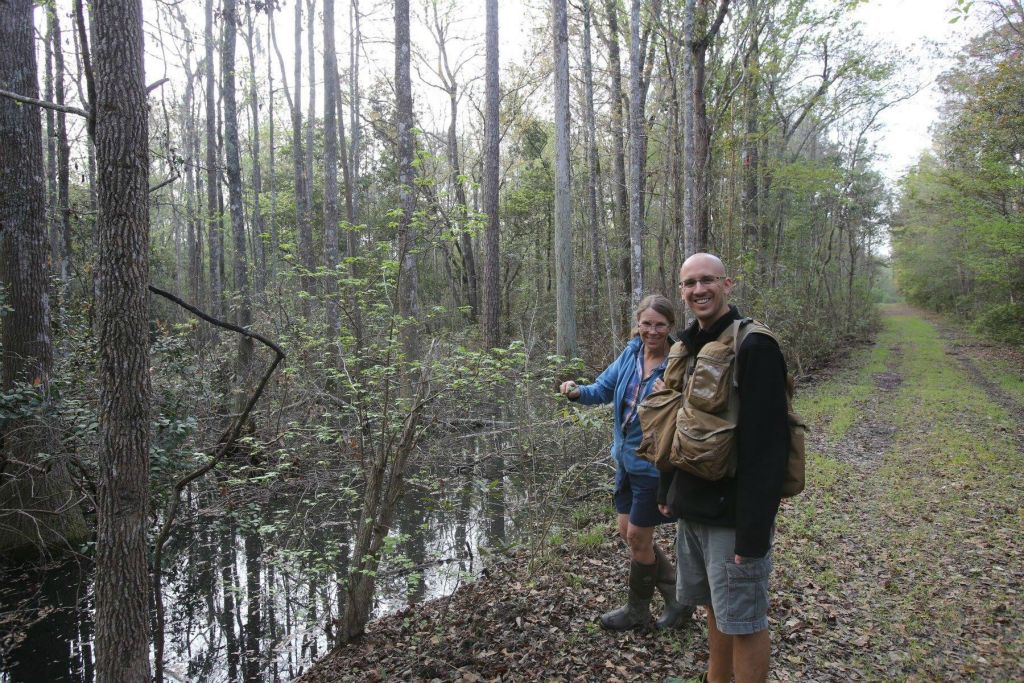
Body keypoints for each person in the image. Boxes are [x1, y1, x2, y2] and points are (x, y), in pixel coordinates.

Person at [657, 253, 789, 682]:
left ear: (727, 284)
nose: (699, 290)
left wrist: (752, 533)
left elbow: (768, 448)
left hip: (733, 516)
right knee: (716, 608)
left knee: (745, 621)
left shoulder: (755, 346)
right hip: (694, 508)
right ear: (681, 291)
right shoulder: (687, 343)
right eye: (690, 283)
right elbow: (678, 427)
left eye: (708, 281)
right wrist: (667, 491)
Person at [559, 294, 693, 631]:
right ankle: (678, 599)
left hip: (652, 466)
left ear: (670, 327)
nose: (652, 331)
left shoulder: (677, 363)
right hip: (624, 462)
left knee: (636, 537)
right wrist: (578, 392)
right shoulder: (631, 352)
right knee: (628, 533)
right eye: (646, 323)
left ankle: (639, 612)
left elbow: (692, 415)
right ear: (638, 323)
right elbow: (604, 388)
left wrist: (672, 395)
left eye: (660, 325)